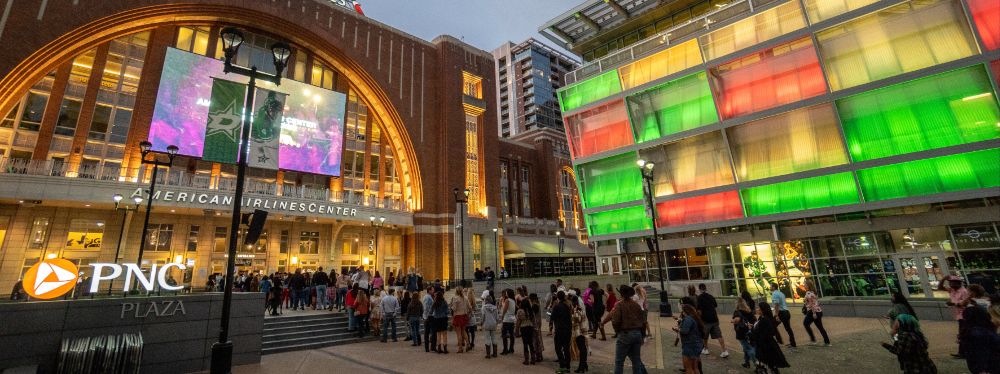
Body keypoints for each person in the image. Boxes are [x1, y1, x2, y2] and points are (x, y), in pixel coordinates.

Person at [601, 285, 646, 374]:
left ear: (621, 294)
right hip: (637, 333)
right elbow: (643, 321)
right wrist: (642, 335)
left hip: (625, 334)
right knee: (636, 361)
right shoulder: (636, 305)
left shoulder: (619, 305)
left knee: (619, 362)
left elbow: (615, 321)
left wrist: (617, 331)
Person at [958, 302, 1000, 373]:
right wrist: (982, 370)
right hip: (992, 367)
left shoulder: (973, 331)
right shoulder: (980, 333)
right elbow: (982, 354)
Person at [754, 302, 790, 373]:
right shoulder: (762, 318)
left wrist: (755, 334)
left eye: (758, 308)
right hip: (763, 345)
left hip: (766, 346)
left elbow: (767, 333)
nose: (756, 309)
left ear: (762, 310)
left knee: (770, 364)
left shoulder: (765, 320)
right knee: (768, 364)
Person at [696, 283, 727, 357]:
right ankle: (724, 350)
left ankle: (706, 349)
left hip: (705, 319)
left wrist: (699, 319)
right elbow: (715, 305)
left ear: (699, 289)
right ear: (705, 288)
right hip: (714, 318)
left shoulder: (700, 298)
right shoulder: (711, 296)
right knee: (719, 335)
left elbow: (699, 310)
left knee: (705, 335)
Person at [941, 276, 968, 358]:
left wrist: (953, 303)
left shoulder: (964, 291)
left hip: (965, 315)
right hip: (959, 315)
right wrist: (943, 279)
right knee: (962, 334)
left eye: (953, 282)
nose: (951, 284)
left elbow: (966, 303)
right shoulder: (952, 290)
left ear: (959, 283)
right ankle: (962, 352)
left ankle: (963, 353)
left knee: (963, 334)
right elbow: (940, 287)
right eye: (950, 282)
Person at [675, 304, 704, 374]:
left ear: (684, 311)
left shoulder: (688, 319)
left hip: (690, 345)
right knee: (695, 367)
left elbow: (685, 331)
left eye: (682, 311)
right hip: (697, 344)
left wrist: (678, 329)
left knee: (688, 368)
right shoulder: (694, 317)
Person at [802, 280, 830, 346]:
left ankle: (813, 340)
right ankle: (827, 342)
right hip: (818, 311)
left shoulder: (808, 293)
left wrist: (814, 313)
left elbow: (811, 303)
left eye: (805, 284)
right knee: (820, 327)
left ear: (808, 286)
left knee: (805, 323)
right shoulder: (813, 292)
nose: (804, 285)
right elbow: (815, 302)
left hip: (813, 312)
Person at [732, 297, 757, 369]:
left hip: (742, 333)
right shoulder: (749, 311)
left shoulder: (737, 312)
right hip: (751, 332)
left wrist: (733, 320)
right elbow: (754, 321)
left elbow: (737, 320)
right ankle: (747, 362)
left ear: (737, 304)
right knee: (747, 347)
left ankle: (757, 365)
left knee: (748, 348)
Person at [550, 291, 572, 372]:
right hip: (568, 330)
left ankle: (562, 366)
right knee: (566, 348)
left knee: (558, 348)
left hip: (560, 330)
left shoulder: (557, 306)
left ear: (558, 297)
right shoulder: (567, 306)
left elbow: (552, 317)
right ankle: (568, 367)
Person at [770, 283, 796, 347]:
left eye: (770, 286)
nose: (769, 287)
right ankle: (793, 343)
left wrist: (776, 315)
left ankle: (779, 340)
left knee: (772, 325)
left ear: (773, 287)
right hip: (786, 312)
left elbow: (776, 305)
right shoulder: (781, 293)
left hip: (781, 313)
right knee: (788, 328)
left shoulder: (774, 294)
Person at [449, 285, 470, 352]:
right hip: (464, 315)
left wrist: (451, 307)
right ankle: (468, 344)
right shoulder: (465, 298)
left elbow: (454, 308)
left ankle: (460, 348)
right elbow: (470, 307)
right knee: (464, 331)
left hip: (458, 316)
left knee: (459, 333)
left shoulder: (455, 298)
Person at [516, 298, 537, 365]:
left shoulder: (520, 311)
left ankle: (526, 360)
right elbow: (534, 321)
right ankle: (533, 359)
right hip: (530, 327)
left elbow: (518, 322)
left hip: (523, 328)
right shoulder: (531, 311)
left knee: (525, 344)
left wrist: (516, 330)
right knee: (531, 343)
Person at [500, 288, 517, 355]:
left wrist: (502, 317)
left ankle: (505, 349)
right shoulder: (513, 300)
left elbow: (504, 309)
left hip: (507, 319)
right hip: (512, 319)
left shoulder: (507, 300)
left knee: (504, 335)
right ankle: (511, 348)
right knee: (511, 334)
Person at [528, 293, 544, 362]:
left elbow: (531, 315)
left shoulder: (534, 305)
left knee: (535, 341)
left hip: (535, 325)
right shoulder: (537, 304)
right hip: (538, 324)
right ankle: (540, 355)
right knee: (538, 340)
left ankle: (537, 356)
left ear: (532, 298)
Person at [422, 286, 436, 352]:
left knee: (427, 333)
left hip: (427, 316)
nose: (434, 291)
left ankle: (427, 348)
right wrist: (427, 316)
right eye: (433, 290)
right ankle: (431, 347)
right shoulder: (428, 297)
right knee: (432, 332)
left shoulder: (426, 297)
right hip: (429, 317)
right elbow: (427, 308)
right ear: (429, 290)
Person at [465, 287, 478, 351]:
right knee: (472, 331)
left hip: (467, 317)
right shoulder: (474, 301)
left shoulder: (466, 300)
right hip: (472, 317)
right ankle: (472, 343)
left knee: (466, 331)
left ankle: (468, 342)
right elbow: (476, 309)